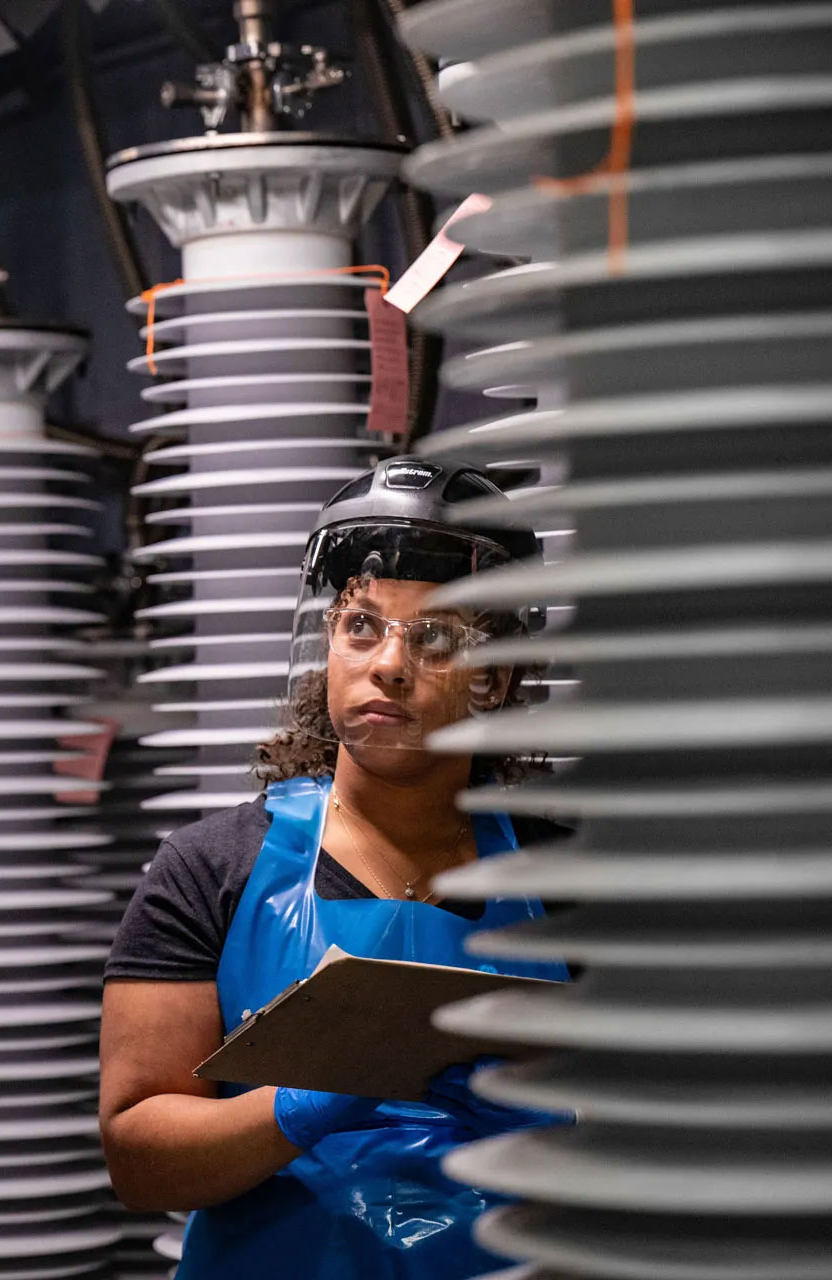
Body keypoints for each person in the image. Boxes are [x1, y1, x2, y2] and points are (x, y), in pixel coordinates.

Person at [98, 456, 569, 1279]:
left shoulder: (569, 880)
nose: (388, 664)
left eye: (433, 639)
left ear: (492, 678)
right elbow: (140, 1159)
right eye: (363, 627)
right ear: (328, 643)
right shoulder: (210, 870)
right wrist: (304, 1102)